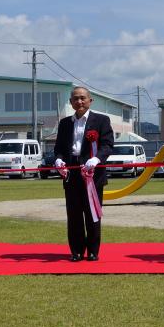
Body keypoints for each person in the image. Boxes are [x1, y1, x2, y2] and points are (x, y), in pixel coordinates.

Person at [54, 87, 114, 262]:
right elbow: (59, 149)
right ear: (71, 102)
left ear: (90, 101)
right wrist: (58, 160)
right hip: (71, 173)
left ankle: (93, 251)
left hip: (93, 174)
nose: (79, 102)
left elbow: (108, 145)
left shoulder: (101, 120)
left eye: (82, 98)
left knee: (92, 213)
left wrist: (97, 159)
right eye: (75, 99)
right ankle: (77, 251)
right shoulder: (65, 123)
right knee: (73, 215)